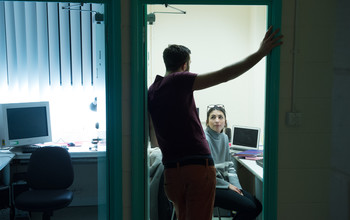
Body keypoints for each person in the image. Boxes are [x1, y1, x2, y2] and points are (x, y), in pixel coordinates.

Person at [148, 26, 282, 220]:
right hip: (196, 170)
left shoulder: (153, 90)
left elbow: (154, 135)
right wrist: (261, 52)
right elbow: (225, 74)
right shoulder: (179, 79)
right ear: (185, 65)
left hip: (172, 173)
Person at [205, 104, 262, 220]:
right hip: (211, 187)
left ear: (225, 122)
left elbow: (230, 166)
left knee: (258, 206)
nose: (217, 120)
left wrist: (237, 187)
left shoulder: (224, 138)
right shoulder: (204, 140)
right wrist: (228, 185)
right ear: (207, 122)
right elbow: (207, 173)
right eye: (213, 117)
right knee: (250, 207)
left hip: (224, 185)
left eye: (220, 117)